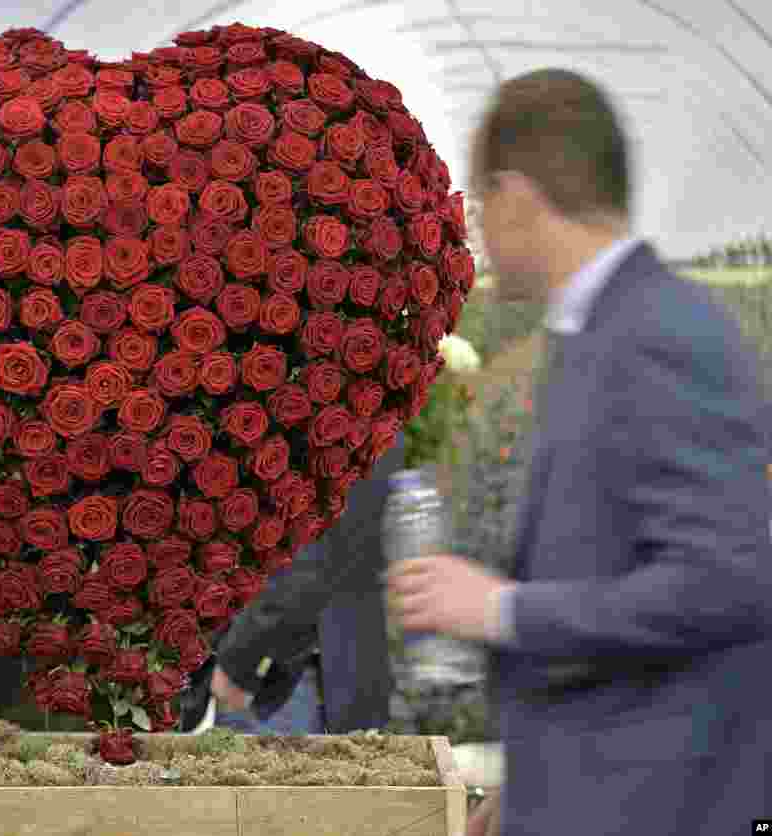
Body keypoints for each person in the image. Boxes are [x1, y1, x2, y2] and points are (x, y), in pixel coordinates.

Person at [386, 69, 772, 836]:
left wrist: (498, 609)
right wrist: (533, 787)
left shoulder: (661, 331)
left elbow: (726, 582)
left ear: (517, 197)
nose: (477, 232)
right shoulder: (596, 329)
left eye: (480, 203)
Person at [207, 434, 405, 733]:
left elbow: (310, 557)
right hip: (347, 664)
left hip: (285, 672)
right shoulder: (383, 417)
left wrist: (240, 660)